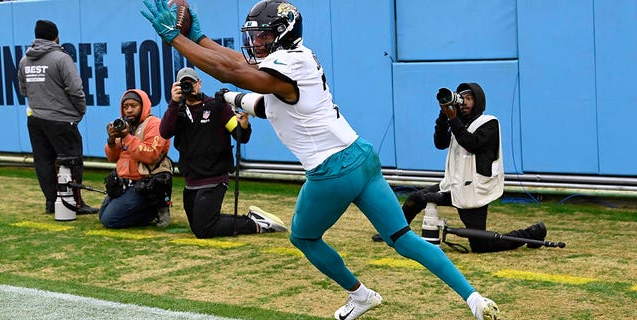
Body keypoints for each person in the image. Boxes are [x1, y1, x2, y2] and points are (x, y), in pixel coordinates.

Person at [141, 1, 500, 319]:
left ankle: (360, 295)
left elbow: (236, 71)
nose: (256, 43)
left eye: (264, 36)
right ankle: (474, 298)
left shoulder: (287, 64)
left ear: (283, 34)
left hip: (332, 170)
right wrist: (203, 43)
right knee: (403, 238)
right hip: (361, 157)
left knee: (304, 237)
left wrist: (176, 39)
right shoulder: (296, 58)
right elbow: (259, 94)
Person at [371, 83, 547, 253]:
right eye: (461, 99)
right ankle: (394, 235)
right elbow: (440, 143)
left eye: (469, 99)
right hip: (453, 186)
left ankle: (531, 233)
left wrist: (453, 119)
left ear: (478, 101)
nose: (464, 103)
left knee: (480, 246)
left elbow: (472, 144)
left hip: (474, 189)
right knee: (415, 199)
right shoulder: (459, 124)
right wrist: (443, 115)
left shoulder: (489, 122)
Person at [159, 67, 287, 237]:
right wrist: (173, 103)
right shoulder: (177, 111)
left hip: (214, 177)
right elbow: (165, 132)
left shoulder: (217, 106)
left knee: (203, 229)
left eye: (191, 82)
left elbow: (241, 137)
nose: (188, 87)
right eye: (184, 84)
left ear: (199, 84)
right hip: (191, 180)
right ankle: (251, 218)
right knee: (200, 224)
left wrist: (244, 125)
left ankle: (257, 224)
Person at [18, 19, 98, 215]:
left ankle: (51, 202)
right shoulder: (61, 58)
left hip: (35, 119)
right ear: (56, 37)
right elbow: (76, 90)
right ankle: (74, 203)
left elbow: (23, 90)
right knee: (71, 161)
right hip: (61, 120)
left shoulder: (24, 60)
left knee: (44, 161)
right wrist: (80, 111)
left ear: (36, 37)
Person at [99, 89, 172, 228]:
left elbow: (150, 155)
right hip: (125, 182)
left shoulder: (155, 124)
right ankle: (146, 208)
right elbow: (112, 157)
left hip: (146, 183)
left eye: (133, 106)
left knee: (109, 220)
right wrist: (111, 140)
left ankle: (155, 207)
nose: (129, 110)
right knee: (102, 215)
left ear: (143, 106)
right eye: (125, 107)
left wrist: (126, 137)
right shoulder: (125, 125)